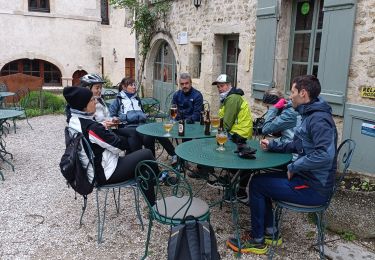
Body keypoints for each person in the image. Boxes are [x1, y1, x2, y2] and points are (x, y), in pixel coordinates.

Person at [226, 75, 338, 255]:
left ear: (303, 93)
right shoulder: (309, 114)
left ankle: (257, 240)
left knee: (257, 184)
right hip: (307, 179)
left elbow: (325, 155)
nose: (289, 96)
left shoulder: (318, 119)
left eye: (292, 92)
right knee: (260, 179)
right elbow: (298, 144)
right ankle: (270, 232)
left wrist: (295, 166)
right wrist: (273, 145)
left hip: (314, 188)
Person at [63, 86, 156, 204]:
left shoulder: (74, 120)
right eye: (92, 100)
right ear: (84, 106)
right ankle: (154, 199)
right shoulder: (92, 127)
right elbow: (118, 147)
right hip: (104, 173)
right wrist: (107, 131)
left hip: (89, 171)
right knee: (146, 154)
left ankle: (152, 202)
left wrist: (103, 128)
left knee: (143, 166)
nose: (96, 102)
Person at [109, 77, 177, 165]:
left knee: (155, 132)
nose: (134, 87)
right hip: (127, 127)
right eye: (131, 85)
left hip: (141, 125)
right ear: (124, 87)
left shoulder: (137, 99)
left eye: (134, 85)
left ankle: (165, 158)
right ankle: (147, 163)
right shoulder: (118, 100)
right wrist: (117, 118)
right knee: (146, 135)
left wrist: (143, 116)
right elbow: (111, 116)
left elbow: (141, 113)